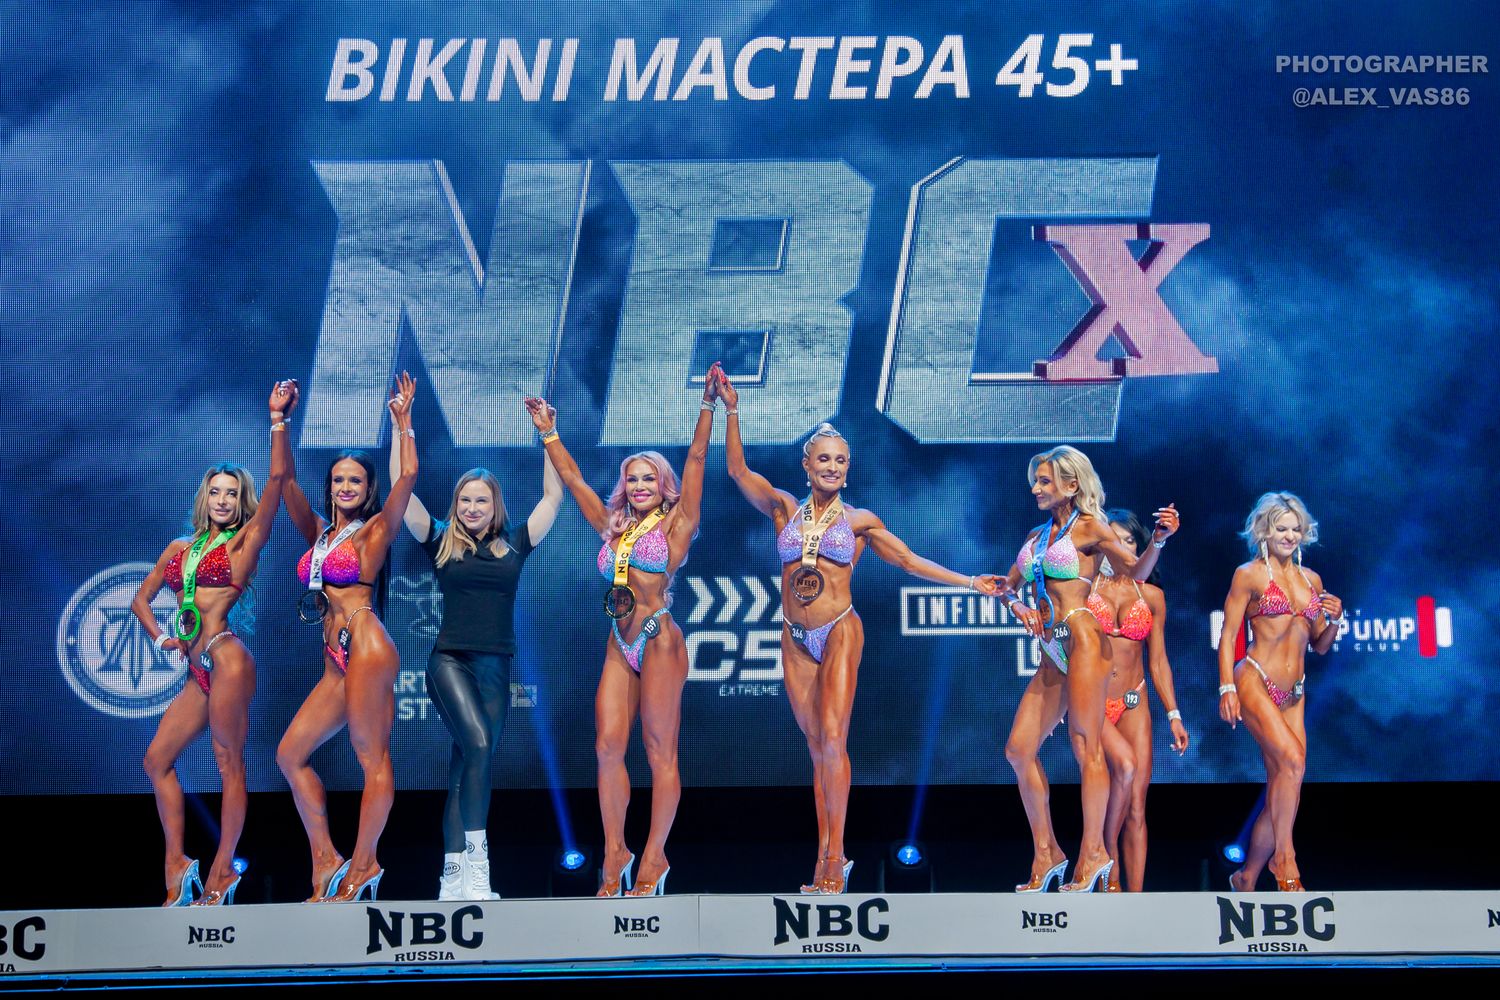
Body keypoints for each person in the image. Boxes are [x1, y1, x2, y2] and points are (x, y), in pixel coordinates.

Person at [717, 370, 1000, 894]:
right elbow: (737, 469)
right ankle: (824, 853)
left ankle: (836, 855)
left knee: (832, 738)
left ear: (847, 471)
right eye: (824, 459)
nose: (832, 466)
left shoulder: (860, 520)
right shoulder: (783, 508)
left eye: (841, 461)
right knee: (815, 747)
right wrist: (731, 409)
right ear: (807, 466)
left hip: (839, 630)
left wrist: (970, 582)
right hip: (794, 635)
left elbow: (909, 561)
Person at [523, 370, 716, 897]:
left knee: (659, 751)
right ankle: (615, 852)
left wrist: (708, 406)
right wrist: (548, 431)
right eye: (632, 479)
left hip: (658, 638)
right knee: (607, 747)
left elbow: (697, 459)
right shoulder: (613, 525)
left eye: (648, 479)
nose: (639, 487)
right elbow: (575, 480)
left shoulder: (677, 524)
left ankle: (655, 856)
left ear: (663, 485)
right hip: (619, 640)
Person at [131, 379, 296, 906]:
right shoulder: (179, 547)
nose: (223, 500)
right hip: (195, 668)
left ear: (241, 501)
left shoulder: (245, 541)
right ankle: (177, 864)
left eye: (231, 493)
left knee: (228, 764)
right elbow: (140, 600)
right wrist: (161, 637)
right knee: (156, 761)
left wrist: (277, 419)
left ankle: (223, 872)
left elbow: (278, 479)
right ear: (204, 497)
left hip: (227, 658)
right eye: (215, 492)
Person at [390, 403, 564, 900]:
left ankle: (452, 877)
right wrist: (403, 427)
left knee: (466, 765)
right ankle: (479, 865)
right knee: (480, 748)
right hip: (449, 662)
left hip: (495, 668)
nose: (471, 508)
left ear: (495, 504)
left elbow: (554, 495)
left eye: (480, 500)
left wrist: (548, 434)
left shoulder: (516, 544)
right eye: (465, 500)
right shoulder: (440, 540)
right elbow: (402, 488)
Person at [999, 446, 1179, 894]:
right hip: (1051, 652)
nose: (1035, 488)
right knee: (1018, 750)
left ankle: (1094, 851)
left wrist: (1158, 540)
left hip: (1082, 640)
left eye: (1044, 481)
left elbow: (1136, 571)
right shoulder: (1036, 536)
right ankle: (1048, 852)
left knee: (1087, 747)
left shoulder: (1091, 527)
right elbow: (1009, 586)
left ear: (1071, 484)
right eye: (1035, 480)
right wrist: (1017, 604)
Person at [275, 372, 418, 903]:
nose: (346, 487)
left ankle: (364, 864)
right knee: (290, 754)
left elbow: (408, 478)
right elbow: (284, 483)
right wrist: (280, 421)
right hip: (334, 656)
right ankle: (326, 860)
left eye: (355, 480)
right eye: (338, 480)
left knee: (371, 759)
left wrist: (403, 423)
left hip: (366, 644)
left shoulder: (376, 529)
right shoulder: (320, 534)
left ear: (368, 488)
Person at [1219, 492, 1342, 892]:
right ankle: (1284, 859)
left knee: (1285, 780)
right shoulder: (1249, 575)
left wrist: (1335, 620)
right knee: (1292, 762)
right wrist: (1226, 687)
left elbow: (1320, 645)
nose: (1289, 536)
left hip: (1294, 693)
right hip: (1254, 678)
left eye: (1295, 529)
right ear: (1264, 532)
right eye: (1280, 529)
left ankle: (1246, 876)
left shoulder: (1312, 581)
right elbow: (1229, 635)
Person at [1091, 509, 1190, 892]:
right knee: (1107, 793)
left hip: (1134, 702)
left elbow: (1159, 660)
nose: (1120, 546)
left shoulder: (1152, 596)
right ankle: (1107, 869)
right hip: (1093, 703)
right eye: (1113, 539)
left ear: (1138, 546)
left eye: (1129, 540)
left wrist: (1174, 714)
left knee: (1135, 807)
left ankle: (1135, 899)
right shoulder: (1085, 588)